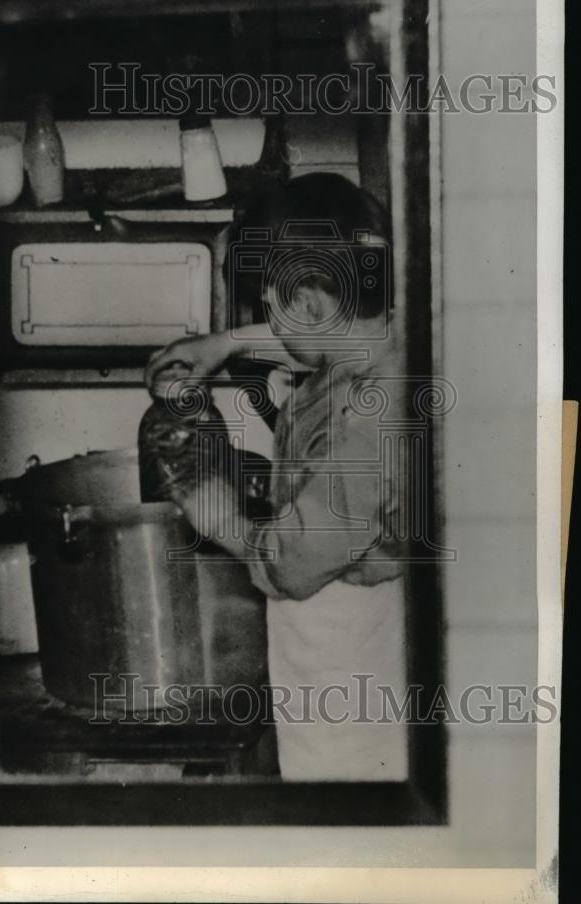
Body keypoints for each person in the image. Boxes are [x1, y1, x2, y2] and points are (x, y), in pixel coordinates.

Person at [144, 173, 409, 781]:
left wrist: (219, 518)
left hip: (341, 654)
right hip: (375, 633)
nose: (271, 320)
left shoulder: (361, 425)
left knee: (342, 805)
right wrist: (224, 344)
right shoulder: (391, 344)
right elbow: (322, 331)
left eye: (270, 303)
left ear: (311, 301)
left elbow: (293, 560)